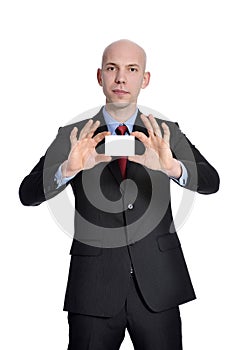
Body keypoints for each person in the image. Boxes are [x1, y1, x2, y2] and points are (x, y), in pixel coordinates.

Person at [19, 39, 220, 350]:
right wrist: (67, 170)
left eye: (132, 69)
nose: (121, 78)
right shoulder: (74, 135)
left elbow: (212, 181)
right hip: (93, 289)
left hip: (158, 286)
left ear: (145, 78)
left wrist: (173, 167)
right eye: (112, 68)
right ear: (100, 76)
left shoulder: (166, 132)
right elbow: (27, 193)